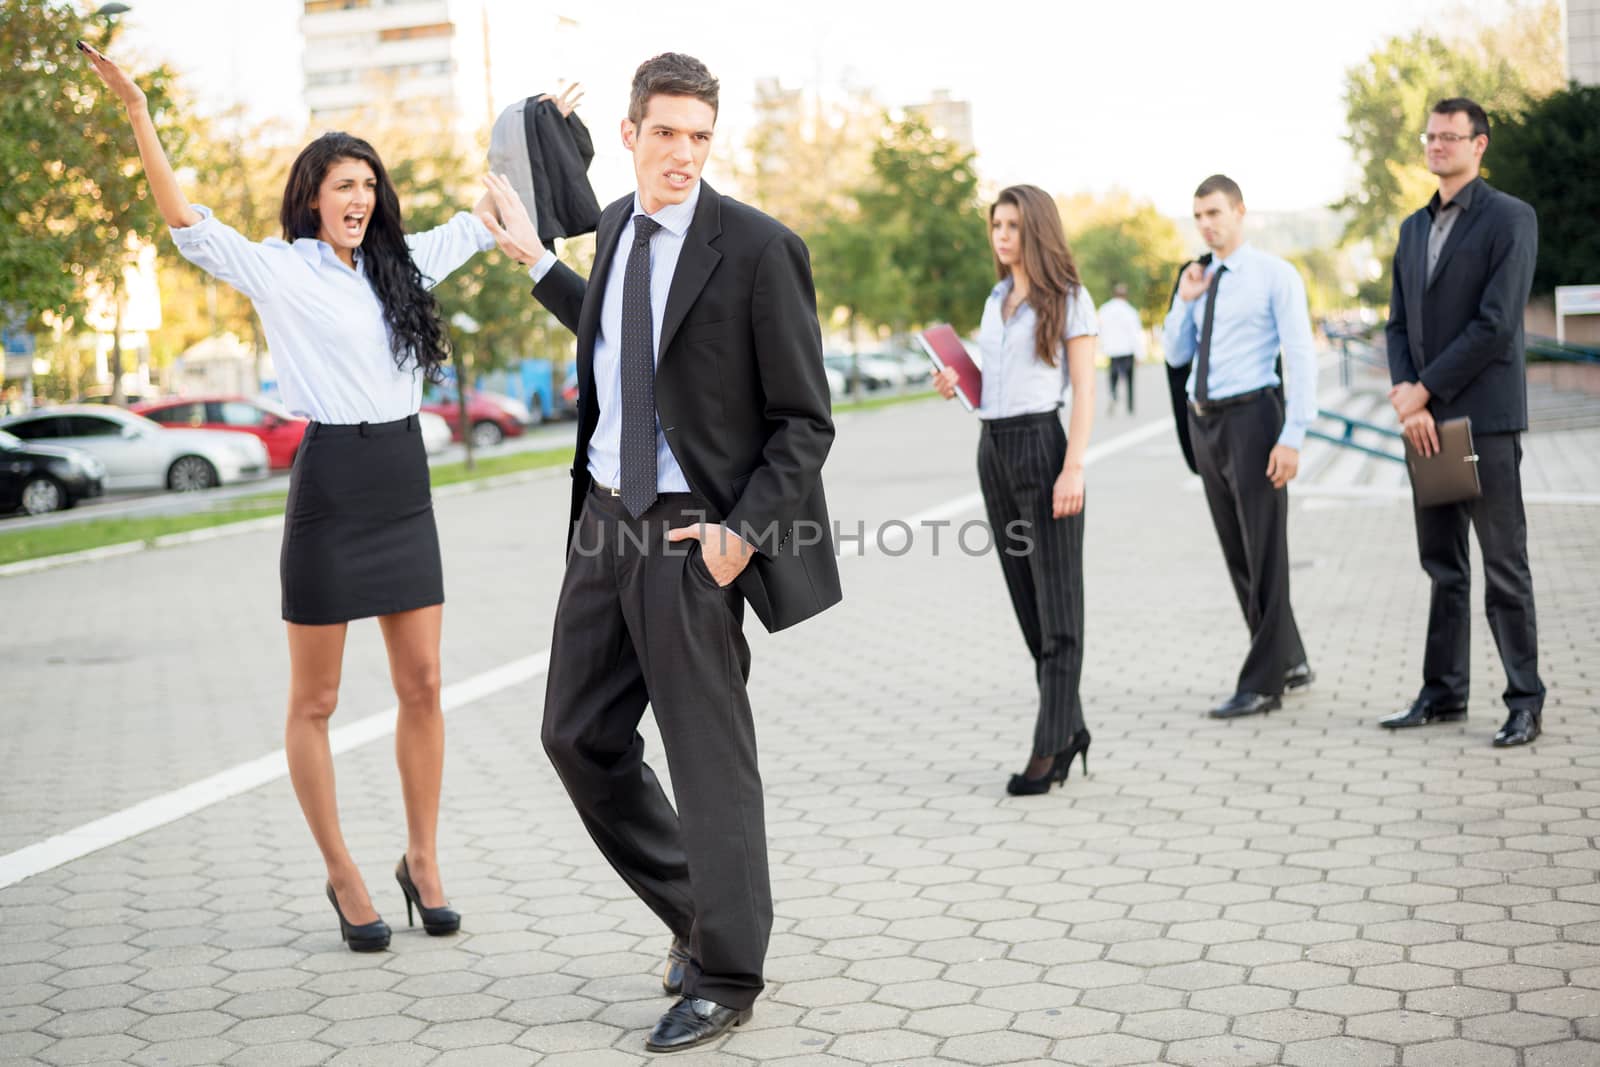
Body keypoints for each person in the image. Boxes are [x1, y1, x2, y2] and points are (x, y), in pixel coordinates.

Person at [83, 44, 535, 951]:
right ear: (312, 197)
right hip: (331, 484)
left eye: (368, 183)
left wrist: (543, 128)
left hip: (404, 480)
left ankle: (423, 858)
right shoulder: (279, 269)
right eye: (342, 186)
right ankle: (341, 870)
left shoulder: (406, 263)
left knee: (425, 682)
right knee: (317, 700)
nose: (359, 198)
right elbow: (181, 219)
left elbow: (498, 212)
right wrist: (137, 110)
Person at [476, 53, 841, 1053]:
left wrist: (738, 537)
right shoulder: (620, 228)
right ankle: (697, 906)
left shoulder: (759, 249)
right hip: (602, 520)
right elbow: (618, 338)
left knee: (708, 759)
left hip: (691, 533)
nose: (684, 154)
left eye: (700, 136)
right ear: (631, 136)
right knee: (576, 734)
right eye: (666, 133)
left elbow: (805, 422)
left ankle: (725, 971)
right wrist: (536, 236)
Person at [1380, 97, 1543, 747]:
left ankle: (1525, 700)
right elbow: (1396, 323)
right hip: (1424, 423)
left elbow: (1495, 324)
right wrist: (1405, 393)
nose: (1438, 145)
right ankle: (1444, 692)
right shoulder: (1413, 228)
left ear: (1480, 145)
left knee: (1504, 565)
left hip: (1484, 421)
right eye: (1432, 136)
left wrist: (1423, 390)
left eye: (1452, 136)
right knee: (1442, 564)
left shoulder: (1511, 218)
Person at [932, 184, 1097, 796]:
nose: (1001, 236)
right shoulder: (996, 299)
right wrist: (957, 382)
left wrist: (1073, 467)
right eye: (996, 225)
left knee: (1060, 609)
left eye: (1012, 226)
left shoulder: (1069, 300)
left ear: (1037, 231)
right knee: (1029, 606)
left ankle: (1049, 748)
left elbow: (1084, 389)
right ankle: (1071, 724)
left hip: (1043, 448)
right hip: (994, 449)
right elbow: (991, 386)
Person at [1163, 174, 1317, 719]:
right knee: (1237, 552)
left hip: (1254, 418)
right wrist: (1184, 302)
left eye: (1215, 213)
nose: (1206, 224)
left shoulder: (1274, 275)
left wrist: (1293, 436)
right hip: (1205, 423)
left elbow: (1300, 354)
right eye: (1199, 215)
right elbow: (1175, 351)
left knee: (1265, 551)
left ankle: (1262, 684)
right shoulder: (1196, 278)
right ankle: (1290, 660)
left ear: (1240, 212)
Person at [1099, 282, 1145, 414]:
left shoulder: (1104, 310)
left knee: (1113, 376)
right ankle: (1130, 405)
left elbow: (1100, 329)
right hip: (1127, 350)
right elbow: (1135, 334)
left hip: (1112, 350)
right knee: (1129, 379)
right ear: (1125, 296)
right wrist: (1140, 354)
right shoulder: (1130, 311)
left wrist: (1103, 346)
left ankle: (1113, 394)